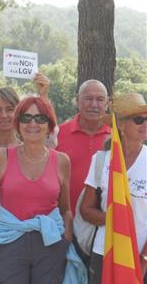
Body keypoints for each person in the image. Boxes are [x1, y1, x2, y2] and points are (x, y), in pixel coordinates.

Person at [0, 96, 73, 284]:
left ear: (49, 124)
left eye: (40, 118)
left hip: (51, 243)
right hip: (10, 242)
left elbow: (66, 209)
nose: (33, 123)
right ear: (18, 123)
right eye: (26, 118)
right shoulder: (2, 157)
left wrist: (66, 239)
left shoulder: (62, 161)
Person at [80, 93, 147, 284]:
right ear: (121, 125)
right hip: (104, 252)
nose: (145, 124)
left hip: (139, 255)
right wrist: (116, 217)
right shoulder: (101, 160)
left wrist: (143, 260)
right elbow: (86, 210)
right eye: (138, 119)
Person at [56, 79, 110, 214]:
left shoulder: (117, 139)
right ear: (77, 101)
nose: (94, 104)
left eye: (100, 99)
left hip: (101, 225)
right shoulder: (57, 134)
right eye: (88, 98)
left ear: (107, 103)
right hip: (62, 222)